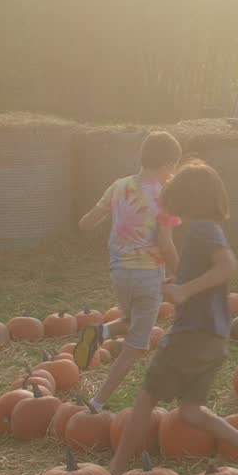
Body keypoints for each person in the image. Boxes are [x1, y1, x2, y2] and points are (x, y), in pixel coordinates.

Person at [108, 160, 238, 475]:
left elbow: (228, 266)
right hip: (214, 337)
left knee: (145, 400)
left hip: (192, 334)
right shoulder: (206, 229)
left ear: (188, 196)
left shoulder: (203, 229)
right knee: (190, 411)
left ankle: (114, 469)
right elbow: (207, 272)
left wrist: (184, 291)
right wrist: (177, 283)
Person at [72, 131, 181, 413]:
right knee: (135, 346)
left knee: (132, 319)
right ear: (166, 165)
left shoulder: (119, 187)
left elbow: (86, 223)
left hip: (119, 273)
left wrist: (104, 225)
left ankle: (100, 331)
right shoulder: (167, 197)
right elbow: (166, 244)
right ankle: (98, 402)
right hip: (147, 275)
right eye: (174, 167)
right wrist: (180, 274)